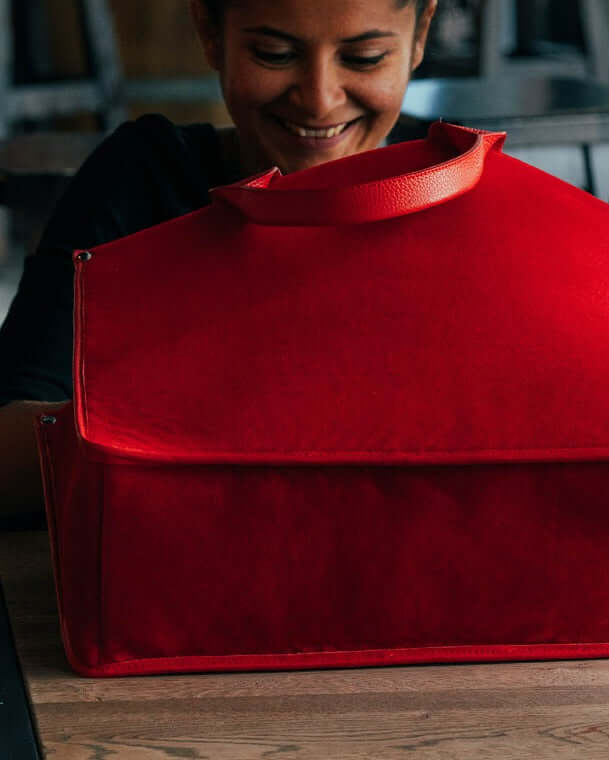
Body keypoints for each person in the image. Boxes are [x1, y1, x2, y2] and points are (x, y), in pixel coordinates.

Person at [0, 0, 438, 517]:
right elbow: (9, 442)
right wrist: (214, 415)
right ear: (210, 31)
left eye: (364, 58)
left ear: (419, 35)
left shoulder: (464, 193)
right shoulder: (141, 183)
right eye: (274, 54)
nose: (319, 101)